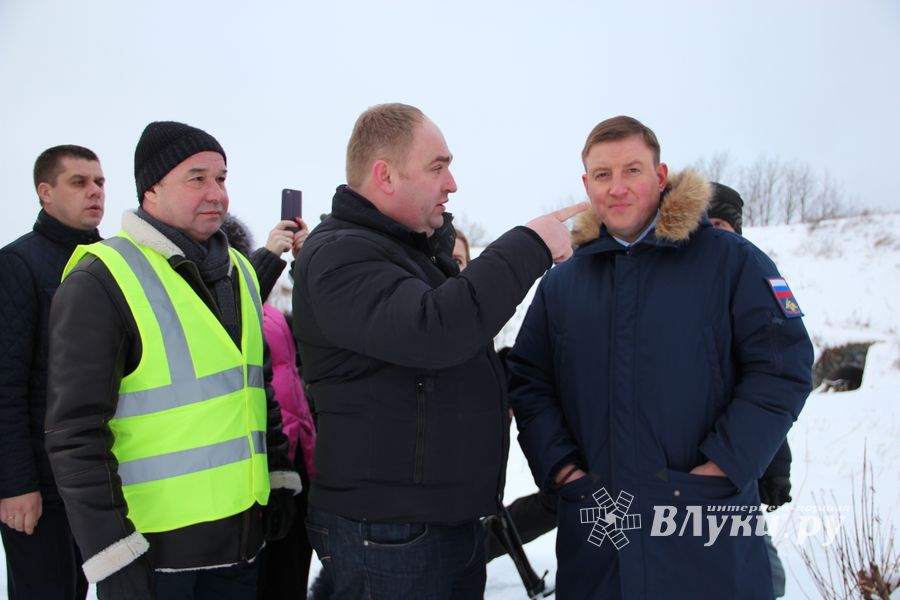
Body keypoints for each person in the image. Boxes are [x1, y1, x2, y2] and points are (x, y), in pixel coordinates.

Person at [507, 116, 814, 599]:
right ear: (586, 185)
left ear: (660, 175)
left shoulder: (731, 260)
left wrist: (726, 465)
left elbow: (783, 366)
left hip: (708, 523)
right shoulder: (563, 283)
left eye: (632, 170)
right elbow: (529, 382)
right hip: (599, 526)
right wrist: (562, 468)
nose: (618, 187)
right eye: (603, 175)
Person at [292, 102, 586, 599]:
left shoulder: (404, 253)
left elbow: (440, 365)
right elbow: (436, 329)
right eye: (437, 167)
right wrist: (529, 244)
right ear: (384, 175)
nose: (452, 184)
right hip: (389, 531)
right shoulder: (340, 253)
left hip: (434, 520)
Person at [45, 121, 301, 600]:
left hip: (240, 541)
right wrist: (112, 551)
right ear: (152, 189)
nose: (216, 194)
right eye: (197, 178)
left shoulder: (240, 270)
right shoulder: (102, 278)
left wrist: (279, 473)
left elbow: (253, 388)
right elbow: (74, 432)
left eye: (222, 178)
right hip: (154, 555)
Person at [0, 145, 104, 600]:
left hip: (102, 477)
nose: (94, 192)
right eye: (79, 182)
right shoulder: (18, 264)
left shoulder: (115, 263)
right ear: (46, 193)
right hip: (43, 487)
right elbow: (5, 383)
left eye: (99, 182)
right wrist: (17, 484)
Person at [220, 215, 317, 599]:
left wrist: (305, 262)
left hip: (295, 456)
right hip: (255, 463)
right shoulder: (227, 311)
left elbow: (322, 318)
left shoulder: (273, 315)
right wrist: (269, 258)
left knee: (291, 573)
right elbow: (230, 309)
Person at [707, 182, 790, 598]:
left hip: (739, 455)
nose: (713, 233)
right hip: (696, 457)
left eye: (720, 224)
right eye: (704, 224)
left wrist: (776, 467)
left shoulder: (753, 274)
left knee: (766, 576)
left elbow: (771, 386)